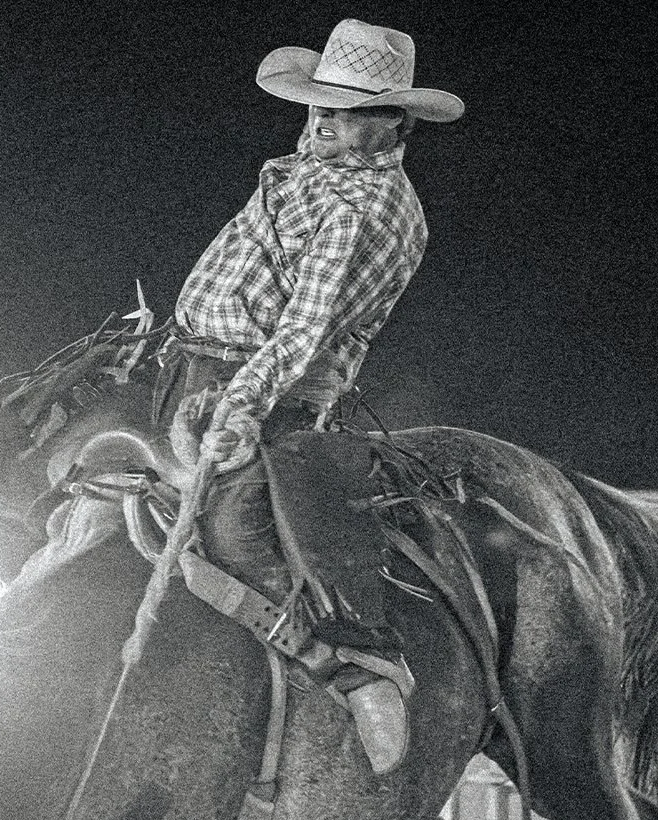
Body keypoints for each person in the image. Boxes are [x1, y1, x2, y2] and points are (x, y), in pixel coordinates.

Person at [159, 18, 464, 772]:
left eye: (347, 110)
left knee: (235, 534)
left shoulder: (360, 207)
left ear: (390, 122)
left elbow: (305, 329)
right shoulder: (321, 172)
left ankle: (352, 665)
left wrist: (241, 402)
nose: (323, 120)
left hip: (259, 382)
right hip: (196, 362)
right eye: (320, 104)